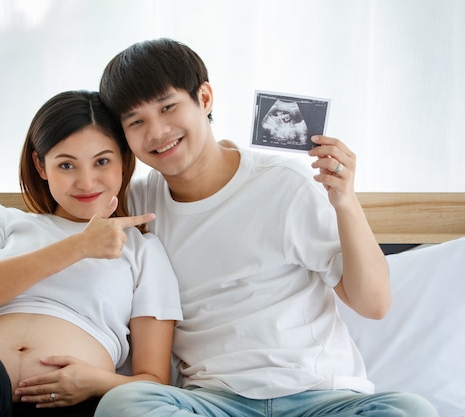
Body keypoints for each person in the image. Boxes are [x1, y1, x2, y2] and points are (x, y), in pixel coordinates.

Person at [89, 38, 440, 416]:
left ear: (204, 98)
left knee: (410, 410)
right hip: (214, 401)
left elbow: (374, 304)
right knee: (125, 404)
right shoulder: (137, 204)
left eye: (168, 107)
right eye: (136, 121)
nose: (157, 132)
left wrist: (345, 201)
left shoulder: (283, 183)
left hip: (321, 396)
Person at [0, 90, 183, 417]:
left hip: (75, 400)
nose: (86, 181)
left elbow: (155, 381)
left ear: (124, 160)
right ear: (41, 165)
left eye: (102, 161)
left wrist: (96, 381)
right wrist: (80, 245)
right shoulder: (2, 220)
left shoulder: (143, 250)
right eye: (66, 165)